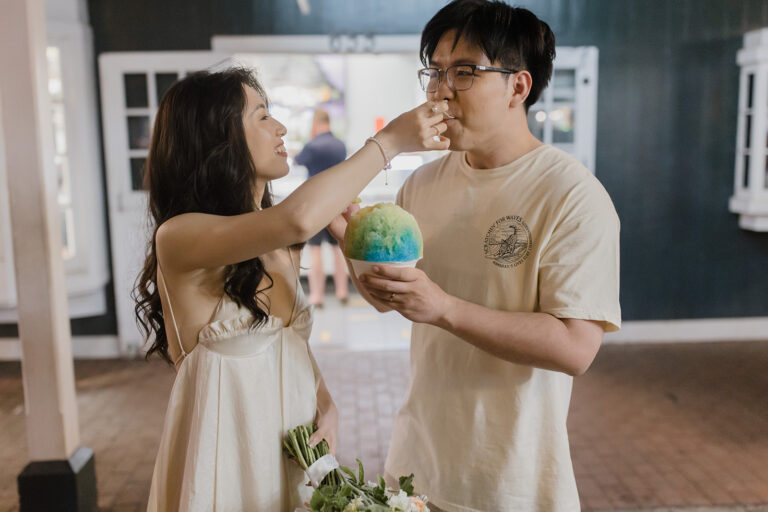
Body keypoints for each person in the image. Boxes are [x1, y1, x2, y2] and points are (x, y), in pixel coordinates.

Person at [329, 1, 621, 510]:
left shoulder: (572, 193)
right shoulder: (421, 183)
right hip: (416, 468)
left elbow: (576, 348)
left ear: (518, 86)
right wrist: (355, 247)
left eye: (464, 71)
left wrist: (443, 308)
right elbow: (389, 300)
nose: (442, 90)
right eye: (435, 72)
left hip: (513, 481)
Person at [133, 68, 449, 511]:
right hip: (227, 462)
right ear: (213, 137)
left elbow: (289, 343)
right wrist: (389, 141)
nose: (280, 128)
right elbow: (298, 217)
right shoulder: (179, 236)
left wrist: (326, 402)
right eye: (261, 116)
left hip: (293, 451)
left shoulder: (283, 245)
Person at [294, 109, 349, 307]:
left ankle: (317, 296)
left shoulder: (312, 145)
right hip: (337, 204)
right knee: (338, 250)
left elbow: (297, 161)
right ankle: (342, 291)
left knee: (315, 251)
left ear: (316, 124)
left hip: (315, 204)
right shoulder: (340, 145)